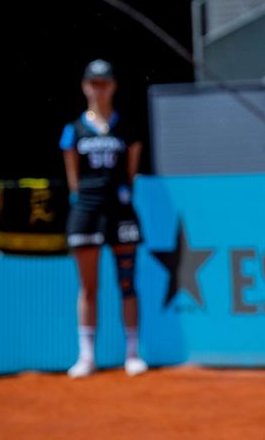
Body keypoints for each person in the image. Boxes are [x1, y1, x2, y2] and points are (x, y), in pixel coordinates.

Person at [60, 60, 147, 378]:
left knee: (127, 283)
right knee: (88, 287)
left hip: (121, 212)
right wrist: (86, 200)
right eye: (93, 83)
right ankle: (86, 357)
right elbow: (73, 179)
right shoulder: (74, 130)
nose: (99, 89)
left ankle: (133, 353)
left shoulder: (128, 127)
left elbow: (131, 173)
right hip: (86, 212)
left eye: (104, 83)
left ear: (113, 86)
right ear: (85, 86)